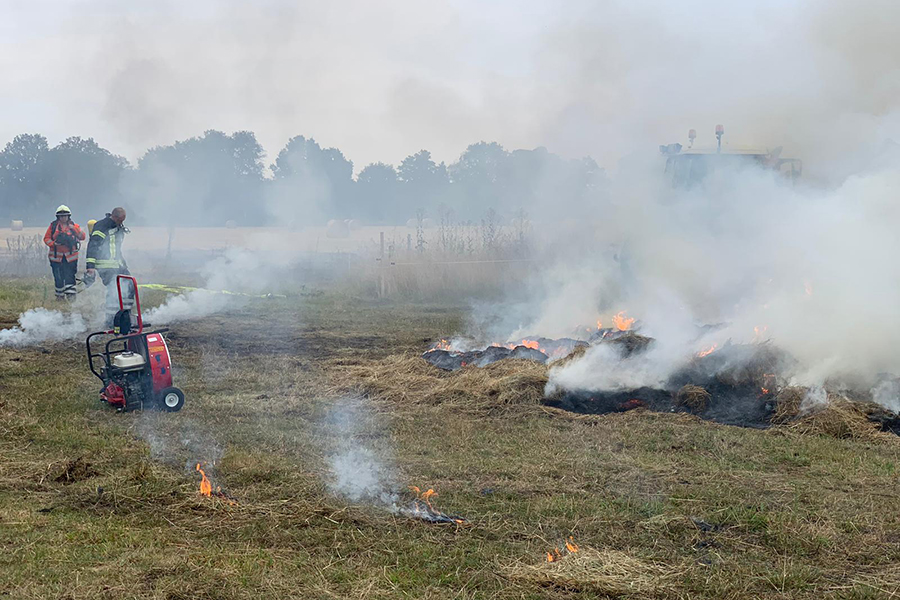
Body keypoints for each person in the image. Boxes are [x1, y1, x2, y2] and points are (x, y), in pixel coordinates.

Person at [85, 207, 133, 326]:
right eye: (120, 220)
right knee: (114, 290)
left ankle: (126, 316)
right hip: (105, 266)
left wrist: (123, 263)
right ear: (114, 217)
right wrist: (90, 267)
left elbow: (116, 248)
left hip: (118, 265)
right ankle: (110, 320)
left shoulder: (117, 227)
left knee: (130, 286)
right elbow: (93, 245)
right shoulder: (102, 226)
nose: (121, 223)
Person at [43, 205, 86, 301]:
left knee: (70, 277)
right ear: (58, 217)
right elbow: (46, 238)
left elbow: (82, 237)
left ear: (68, 216)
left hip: (71, 258)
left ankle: (71, 297)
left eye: (65, 216)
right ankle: (60, 297)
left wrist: (74, 229)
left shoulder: (74, 226)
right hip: (56, 258)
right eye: (61, 216)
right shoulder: (53, 226)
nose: (63, 218)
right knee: (58, 277)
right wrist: (54, 244)